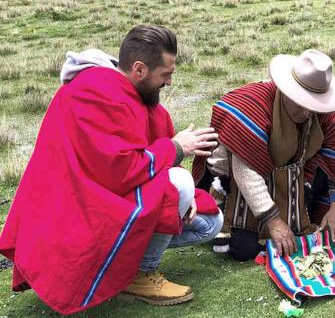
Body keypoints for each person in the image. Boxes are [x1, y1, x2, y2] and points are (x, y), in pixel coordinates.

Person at [0, 25, 223, 314]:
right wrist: (177, 148)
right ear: (140, 69)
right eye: (165, 75)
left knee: (211, 223)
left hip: (104, 198)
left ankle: (123, 263)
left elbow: (138, 155)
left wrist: (187, 194)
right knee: (178, 182)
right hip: (77, 211)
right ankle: (141, 275)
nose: (169, 83)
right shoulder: (95, 93)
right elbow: (120, 170)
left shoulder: (128, 90)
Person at [192, 49, 335, 261]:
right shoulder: (253, 106)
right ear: (286, 91)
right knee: (244, 249)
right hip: (238, 182)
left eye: (313, 106)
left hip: (290, 183)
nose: (307, 113)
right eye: (303, 104)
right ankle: (227, 217)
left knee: (307, 230)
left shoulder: (321, 114)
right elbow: (245, 170)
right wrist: (274, 221)